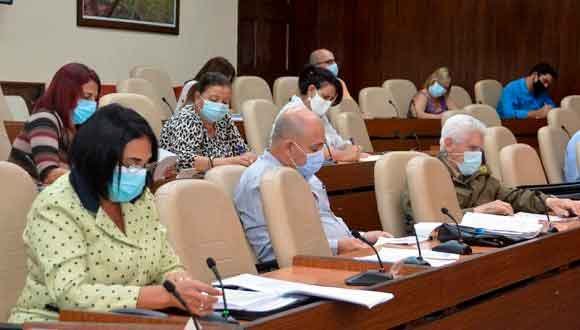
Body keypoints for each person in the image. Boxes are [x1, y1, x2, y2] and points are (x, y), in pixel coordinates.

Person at [8, 104, 219, 323]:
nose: (139, 174)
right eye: (133, 163)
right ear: (98, 157)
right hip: (55, 322)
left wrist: (180, 282)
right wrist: (162, 296)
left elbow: (167, 264)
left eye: (145, 164)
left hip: (131, 322)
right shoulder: (56, 205)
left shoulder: (139, 198)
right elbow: (71, 295)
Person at [235, 106, 392, 268]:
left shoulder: (304, 171)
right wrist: (338, 247)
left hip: (341, 258)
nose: (320, 155)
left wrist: (362, 237)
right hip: (306, 270)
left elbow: (326, 224)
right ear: (289, 147)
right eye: (315, 149)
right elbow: (269, 251)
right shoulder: (259, 180)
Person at [403, 115, 580, 219]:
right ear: (449, 144)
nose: (478, 155)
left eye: (480, 150)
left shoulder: (479, 175)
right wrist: (476, 212)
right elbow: (426, 222)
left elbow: (513, 196)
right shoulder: (426, 176)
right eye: (472, 148)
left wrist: (550, 201)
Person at [8, 63, 101, 186]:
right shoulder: (44, 120)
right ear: (66, 93)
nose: (92, 104)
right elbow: (50, 175)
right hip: (24, 194)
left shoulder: (78, 127)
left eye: (95, 98)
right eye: (87, 97)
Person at [159, 72, 256, 172]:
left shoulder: (224, 118)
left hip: (219, 176)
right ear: (197, 97)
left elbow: (241, 149)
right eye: (214, 100)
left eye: (225, 102)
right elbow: (185, 161)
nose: (220, 106)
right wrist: (230, 161)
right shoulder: (185, 119)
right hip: (183, 181)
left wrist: (248, 156)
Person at [277, 65, 363, 162]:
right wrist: (342, 155)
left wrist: (351, 149)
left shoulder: (318, 115)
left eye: (331, 100)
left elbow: (337, 142)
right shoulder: (291, 114)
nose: (328, 103)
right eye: (325, 97)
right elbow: (310, 152)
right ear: (311, 90)